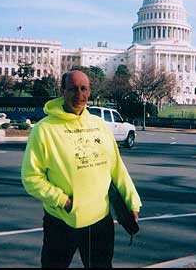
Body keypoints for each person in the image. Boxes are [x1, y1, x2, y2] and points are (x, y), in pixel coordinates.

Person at [21, 70, 142, 268]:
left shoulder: (100, 126)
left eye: (84, 88)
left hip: (99, 221)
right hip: (61, 220)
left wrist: (132, 201)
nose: (79, 94)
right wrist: (64, 201)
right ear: (62, 91)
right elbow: (31, 177)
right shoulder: (44, 130)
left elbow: (117, 169)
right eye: (73, 89)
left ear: (90, 91)